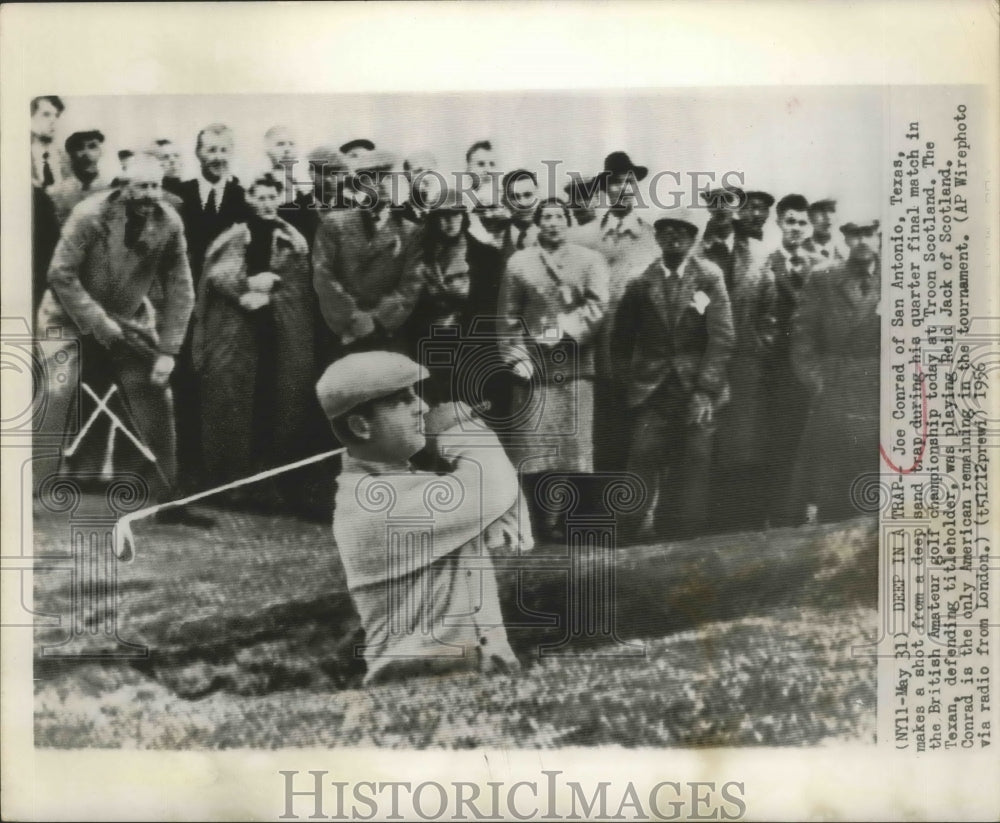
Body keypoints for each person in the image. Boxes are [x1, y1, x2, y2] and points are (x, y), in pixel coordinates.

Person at [319, 351, 532, 685]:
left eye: (415, 395)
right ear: (361, 426)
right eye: (402, 401)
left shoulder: (407, 486)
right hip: (415, 679)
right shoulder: (373, 504)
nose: (422, 406)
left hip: (462, 674)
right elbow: (494, 489)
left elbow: (504, 517)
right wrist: (459, 429)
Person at [35, 153, 199, 521]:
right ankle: (29, 492)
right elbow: (60, 275)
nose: (150, 195)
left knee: (156, 392)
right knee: (57, 392)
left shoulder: (170, 222)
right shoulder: (88, 215)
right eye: (142, 187)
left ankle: (165, 498)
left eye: (156, 186)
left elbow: (181, 287)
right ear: (124, 187)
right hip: (66, 315)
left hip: (128, 318)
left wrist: (169, 350)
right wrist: (96, 321)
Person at [192, 175, 319, 505]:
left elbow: (299, 288)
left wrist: (270, 298)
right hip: (235, 334)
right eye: (259, 196)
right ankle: (228, 482)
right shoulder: (234, 236)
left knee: (274, 403)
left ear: (279, 199)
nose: (266, 203)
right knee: (231, 402)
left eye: (271, 196)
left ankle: (269, 485)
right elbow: (215, 275)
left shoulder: (292, 239)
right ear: (249, 198)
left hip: (277, 334)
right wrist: (246, 288)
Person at [611, 210, 735, 542]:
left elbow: (722, 338)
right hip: (653, 388)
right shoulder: (641, 283)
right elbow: (621, 340)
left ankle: (685, 533)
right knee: (643, 453)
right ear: (656, 237)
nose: (674, 237)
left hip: (697, 384)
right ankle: (628, 529)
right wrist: (630, 383)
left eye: (683, 231)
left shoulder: (708, 277)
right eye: (666, 230)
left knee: (696, 456)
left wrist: (705, 390)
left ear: (694, 238)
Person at [498, 198, 609, 538]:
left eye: (560, 216)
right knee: (533, 450)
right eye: (546, 217)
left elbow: (598, 306)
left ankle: (570, 523)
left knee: (573, 450)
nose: (553, 223)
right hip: (533, 369)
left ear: (568, 222)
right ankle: (538, 522)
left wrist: (561, 331)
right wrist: (516, 356)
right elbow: (508, 317)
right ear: (537, 222)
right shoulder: (519, 263)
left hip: (575, 365)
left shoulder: (590, 260)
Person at [173, 122, 252, 491]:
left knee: (222, 386)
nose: (217, 158)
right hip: (183, 306)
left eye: (223, 150)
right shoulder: (180, 195)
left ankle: (222, 474)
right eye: (211, 150)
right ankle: (186, 471)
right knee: (184, 383)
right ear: (198, 153)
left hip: (225, 311)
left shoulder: (244, 198)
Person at [572, 151, 659, 474]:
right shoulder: (583, 238)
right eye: (616, 182)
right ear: (604, 190)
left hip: (636, 355)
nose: (624, 189)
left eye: (630, 182)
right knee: (594, 433)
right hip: (590, 355)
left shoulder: (652, 239)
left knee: (634, 433)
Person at [790, 220, 881, 523]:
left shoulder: (900, 277)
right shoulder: (824, 277)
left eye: (868, 233)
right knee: (832, 483)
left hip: (880, 388)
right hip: (836, 387)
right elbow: (802, 336)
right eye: (854, 234)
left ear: (879, 236)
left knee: (875, 477)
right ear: (845, 239)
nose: (862, 241)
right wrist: (817, 382)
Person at [701, 187, 775, 532]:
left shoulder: (758, 255)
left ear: (737, 210)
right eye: (714, 204)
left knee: (745, 438)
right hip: (705, 360)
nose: (721, 211)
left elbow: (769, 311)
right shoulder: (696, 251)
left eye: (728, 204)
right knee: (705, 438)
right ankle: (703, 518)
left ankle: (744, 518)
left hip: (746, 361)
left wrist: (760, 343)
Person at [400, 188, 508, 413]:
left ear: (463, 216)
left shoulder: (487, 256)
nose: (449, 222)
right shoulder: (420, 257)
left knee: (479, 411)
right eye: (442, 216)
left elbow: (493, 308)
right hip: (431, 347)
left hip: (474, 346)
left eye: (454, 214)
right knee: (440, 413)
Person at [760, 193, 828, 525]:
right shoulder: (767, 264)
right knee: (780, 440)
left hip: (814, 370)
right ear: (778, 224)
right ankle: (779, 512)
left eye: (802, 222)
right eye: (790, 221)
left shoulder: (822, 267)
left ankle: (805, 510)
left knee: (812, 440)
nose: (797, 228)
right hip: (778, 371)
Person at [312, 150, 421, 356]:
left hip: (389, 333)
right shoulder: (334, 224)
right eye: (372, 178)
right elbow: (323, 275)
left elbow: (411, 285)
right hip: (345, 332)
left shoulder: (410, 232)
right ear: (361, 183)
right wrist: (353, 316)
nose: (381, 184)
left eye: (388, 177)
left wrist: (376, 319)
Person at [48, 130, 112, 224]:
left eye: (92, 146)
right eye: (79, 148)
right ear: (71, 154)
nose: (86, 153)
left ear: (100, 151)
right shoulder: (59, 192)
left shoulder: (109, 188)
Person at [499, 169, 540, 257]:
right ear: (506, 200)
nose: (522, 203)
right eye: (515, 197)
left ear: (538, 195)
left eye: (528, 195)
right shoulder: (497, 235)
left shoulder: (552, 232)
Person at [31, 95, 68, 190]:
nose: (53, 121)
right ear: (30, 118)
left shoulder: (63, 156)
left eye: (57, 115)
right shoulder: (19, 153)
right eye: (46, 114)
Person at [802, 198, 844, 262]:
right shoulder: (801, 249)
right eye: (822, 212)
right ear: (810, 219)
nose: (828, 217)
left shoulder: (845, 249)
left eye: (832, 211)